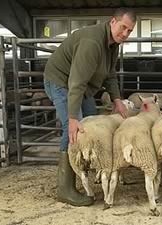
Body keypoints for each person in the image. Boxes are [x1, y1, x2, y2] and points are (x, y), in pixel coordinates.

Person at [43, 8, 136, 206]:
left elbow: (109, 74)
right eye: (123, 27)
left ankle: (84, 172)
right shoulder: (92, 43)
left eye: (130, 31)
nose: (125, 34)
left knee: (92, 124)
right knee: (75, 131)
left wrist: (117, 99)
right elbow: (76, 82)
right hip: (61, 81)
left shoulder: (113, 44)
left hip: (81, 85)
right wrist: (73, 118)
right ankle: (65, 188)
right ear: (113, 21)